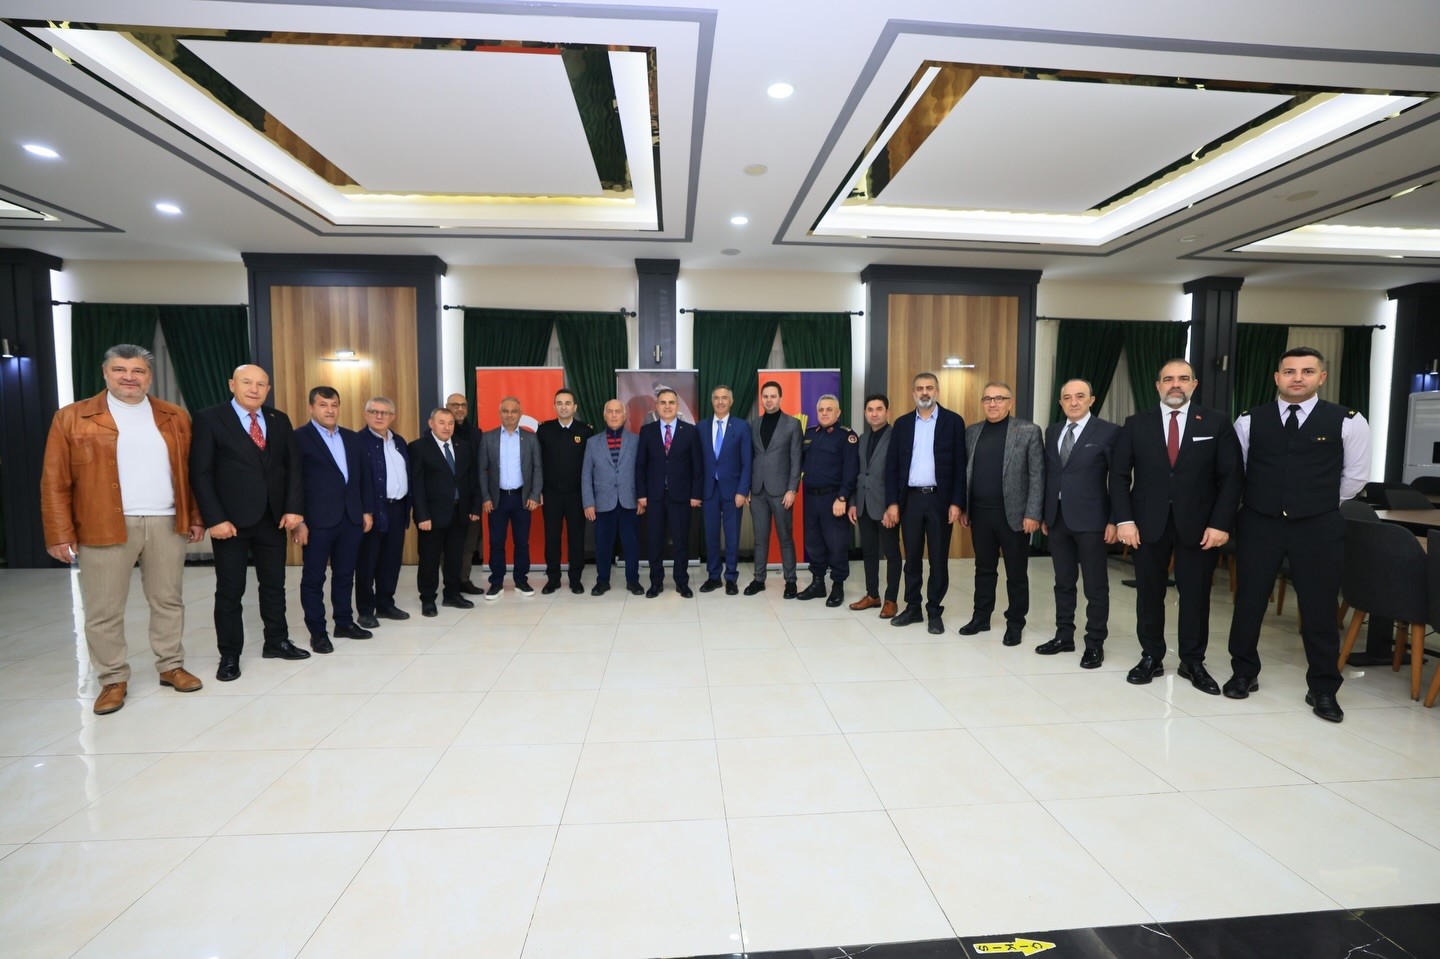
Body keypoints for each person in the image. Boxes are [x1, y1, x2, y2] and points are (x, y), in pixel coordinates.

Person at [40, 344, 205, 714]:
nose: (129, 377)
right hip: (102, 523)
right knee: (104, 608)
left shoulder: (175, 416)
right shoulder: (72, 417)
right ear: (105, 373)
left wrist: (194, 516)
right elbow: (54, 481)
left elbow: (190, 472)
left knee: (168, 600)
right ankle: (113, 678)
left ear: (149, 377)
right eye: (120, 370)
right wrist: (59, 532)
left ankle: (171, 666)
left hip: (166, 522)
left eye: (138, 371)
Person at [1225, 347, 1371, 722]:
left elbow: (1355, 476)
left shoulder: (1348, 421)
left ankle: (1323, 687)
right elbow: (1238, 471)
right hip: (1260, 521)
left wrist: (1315, 502)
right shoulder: (1249, 420)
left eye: (1307, 371)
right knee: (1249, 601)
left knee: (1319, 607)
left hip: (1318, 524)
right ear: (1277, 378)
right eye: (1289, 371)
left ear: (1321, 377)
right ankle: (1243, 672)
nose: (1297, 378)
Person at [1113, 360, 1242, 693]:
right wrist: (1125, 520)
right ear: (1158, 385)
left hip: (1199, 527)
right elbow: (1118, 476)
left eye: (1183, 379)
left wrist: (1220, 524)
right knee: (1149, 594)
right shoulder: (1136, 424)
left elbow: (1231, 478)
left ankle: (1192, 661)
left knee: (1196, 595)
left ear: (1194, 384)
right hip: (1146, 525)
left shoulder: (1216, 422)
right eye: (1168, 379)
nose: (1175, 384)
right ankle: (1151, 656)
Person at [190, 364, 308, 681]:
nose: (254, 389)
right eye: (247, 382)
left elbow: (293, 468)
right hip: (230, 523)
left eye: (261, 384)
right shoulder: (210, 418)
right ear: (232, 385)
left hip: (273, 518)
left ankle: (277, 641)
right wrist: (215, 519)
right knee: (230, 591)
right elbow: (200, 473)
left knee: (274, 585)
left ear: (268, 389)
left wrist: (294, 509)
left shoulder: (279, 419)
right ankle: (229, 655)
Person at [1038, 379, 1119, 669]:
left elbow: (1118, 479)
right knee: (1063, 582)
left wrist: (1114, 520)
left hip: (1093, 521)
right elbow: (1050, 474)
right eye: (1067, 397)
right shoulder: (1053, 431)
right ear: (1061, 402)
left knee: (1095, 586)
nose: (1073, 402)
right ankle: (1064, 635)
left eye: (1080, 396)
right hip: (1057, 519)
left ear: (1091, 400)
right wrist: (1045, 514)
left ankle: (1094, 643)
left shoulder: (1108, 431)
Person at [958, 381, 1044, 646]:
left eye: (999, 398)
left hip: (1015, 516)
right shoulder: (972, 432)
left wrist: (1033, 513)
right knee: (983, 569)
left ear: (1010, 402)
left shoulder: (1028, 431)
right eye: (987, 399)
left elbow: (1037, 475)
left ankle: (1015, 623)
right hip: (980, 514)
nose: (992, 403)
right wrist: (964, 507)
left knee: (1016, 573)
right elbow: (965, 472)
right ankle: (981, 617)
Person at [885, 372, 968, 634]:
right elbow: (892, 467)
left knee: (938, 559)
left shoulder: (953, 422)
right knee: (911, 558)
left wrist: (957, 502)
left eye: (929, 388)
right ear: (913, 393)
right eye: (919, 388)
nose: (924, 392)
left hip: (940, 500)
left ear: (937, 391)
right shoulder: (902, 424)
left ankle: (934, 610)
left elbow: (960, 465)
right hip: (909, 500)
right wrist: (892, 503)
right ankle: (913, 608)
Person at [293, 386, 374, 653]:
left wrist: (366, 511)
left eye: (334, 405)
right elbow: (292, 482)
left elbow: (363, 477)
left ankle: (344, 622)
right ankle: (318, 632)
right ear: (311, 407)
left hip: (350, 519)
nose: (330, 410)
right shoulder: (298, 438)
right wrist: (298, 521)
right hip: (316, 522)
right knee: (314, 578)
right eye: (323, 405)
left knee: (345, 574)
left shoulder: (352, 438)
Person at [409, 406, 480, 617]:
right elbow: (417, 485)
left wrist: (474, 507)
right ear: (431, 424)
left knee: (455, 557)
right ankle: (428, 599)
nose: (447, 427)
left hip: (460, 512)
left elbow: (472, 479)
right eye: (442, 422)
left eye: (450, 423)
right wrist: (422, 515)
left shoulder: (463, 446)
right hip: (431, 516)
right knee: (429, 559)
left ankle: (452, 594)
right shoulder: (419, 447)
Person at [635, 387, 703, 597]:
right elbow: (640, 465)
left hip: (681, 496)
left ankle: (682, 582)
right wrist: (641, 494)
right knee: (654, 541)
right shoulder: (647, 431)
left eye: (671, 402)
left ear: (677, 405)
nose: (667, 406)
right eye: (663, 402)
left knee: (681, 541)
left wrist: (696, 494)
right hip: (654, 496)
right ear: (657, 406)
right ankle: (656, 582)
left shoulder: (690, 431)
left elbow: (697, 467)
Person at [797, 394, 859, 607]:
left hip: (833, 499)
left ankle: (838, 586)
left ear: (838, 412)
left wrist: (842, 497)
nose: (824, 413)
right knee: (814, 543)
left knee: (836, 544)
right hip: (811, 498)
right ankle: (818, 583)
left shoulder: (847, 436)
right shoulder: (809, 434)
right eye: (821, 409)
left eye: (829, 409)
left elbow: (851, 470)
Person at [478, 396, 543, 599]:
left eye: (513, 411)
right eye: (505, 411)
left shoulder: (530, 438)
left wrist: (534, 495)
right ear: (500, 413)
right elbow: (482, 470)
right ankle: (496, 582)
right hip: (497, 499)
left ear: (520, 414)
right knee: (496, 543)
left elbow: (538, 468)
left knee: (522, 542)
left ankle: (521, 580)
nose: (509, 415)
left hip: (521, 498)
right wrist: (485, 497)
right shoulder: (488, 438)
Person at [355, 396, 412, 627]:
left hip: (397, 508)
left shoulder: (399, 441)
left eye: (385, 413)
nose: (379, 416)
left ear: (392, 416)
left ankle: (385, 604)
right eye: (374, 412)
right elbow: (355, 480)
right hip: (372, 510)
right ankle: (365, 610)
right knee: (367, 562)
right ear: (366, 414)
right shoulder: (357, 442)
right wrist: (364, 510)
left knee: (391, 560)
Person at [582, 399, 645, 596]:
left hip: (629, 501)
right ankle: (602, 582)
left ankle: (633, 581)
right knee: (603, 546)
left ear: (624, 415)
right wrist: (588, 502)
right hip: (602, 503)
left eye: (618, 411)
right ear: (604, 415)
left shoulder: (636, 441)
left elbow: (642, 471)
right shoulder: (593, 442)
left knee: (631, 545)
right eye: (610, 411)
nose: (614, 415)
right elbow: (586, 475)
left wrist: (641, 497)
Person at [745, 380, 802, 598]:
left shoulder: (792, 424)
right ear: (761, 399)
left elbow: (796, 460)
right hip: (757, 491)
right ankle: (759, 579)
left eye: (773, 396)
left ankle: (791, 581)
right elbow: (750, 457)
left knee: (785, 537)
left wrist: (792, 490)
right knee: (760, 538)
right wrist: (748, 487)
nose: (769, 400)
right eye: (765, 396)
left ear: (780, 398)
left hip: (781, 492)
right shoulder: (754, 424)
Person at [536, 389, 594, 595]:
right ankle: (553, 579)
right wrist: (538, 490)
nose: (563, 407)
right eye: (559, 403)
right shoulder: (544, 430)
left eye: (567, 403)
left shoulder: (585, 431)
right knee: (552, 537)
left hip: (576, 494)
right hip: (551, 494)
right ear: (554, 406)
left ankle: (575, 579)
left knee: (576, 538)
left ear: (575, 407)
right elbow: (538, 463)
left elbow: (590, 466)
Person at [848, 393, 900, 618]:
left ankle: (891, 600)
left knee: (891, 553)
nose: (874, 414)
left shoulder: (896, 437)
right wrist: (852, 503)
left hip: (886, 506)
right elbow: (858, 473)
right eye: (870, 410)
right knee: (869, 552)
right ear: (865, 413)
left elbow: (899, 474)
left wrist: (893, 505)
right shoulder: (862, 438)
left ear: (888, 412)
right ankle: (872, 595)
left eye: (879, 409)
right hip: (863, 505)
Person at [699, 385, 753, 595]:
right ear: (711, 401)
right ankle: (714, 577)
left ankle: (731, 577)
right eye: (716, 398)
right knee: (711, 536)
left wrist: (742, 491)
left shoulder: (741, 427)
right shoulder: (701, 427)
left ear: (731, 401)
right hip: (708, 491)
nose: (720, 402)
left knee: (732, 536)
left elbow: (747, 462)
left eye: (724, 398)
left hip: (733, 492)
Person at [445, 393, 484, 595]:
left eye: (463, 405)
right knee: (448, 546)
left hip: (470, 499)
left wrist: (477, 503)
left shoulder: (476, 434)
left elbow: (479, 470)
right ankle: (450, 584)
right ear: (447, 407)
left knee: (469, 544)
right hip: (446, 501)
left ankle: (464, 579)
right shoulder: (438, 433)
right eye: (455, 405)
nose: (459, 409)